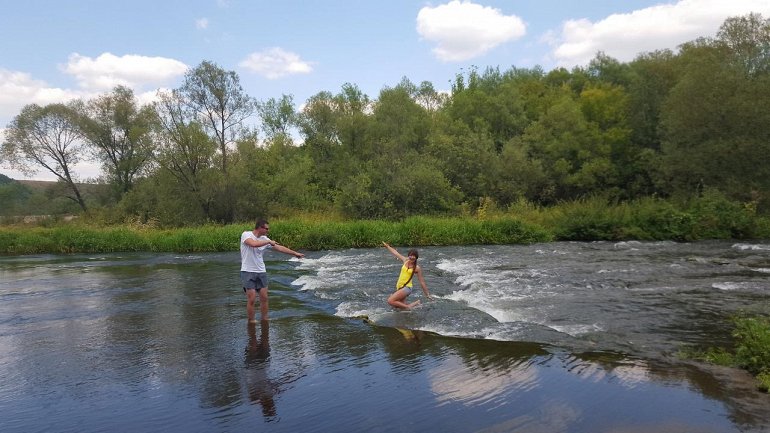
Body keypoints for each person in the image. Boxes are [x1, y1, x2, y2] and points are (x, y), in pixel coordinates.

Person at [241, 218, 304, 323]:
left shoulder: (265, 239)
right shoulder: (246, 235)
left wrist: (295, 253)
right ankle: (251, 321)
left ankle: (264, 319)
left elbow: (279, 248)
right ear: (260, 227)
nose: (267, 231)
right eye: (266, 228)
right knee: (251, 298)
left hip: (261, 271)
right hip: (247, 271)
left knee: (264, 298)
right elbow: (253, 244)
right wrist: (268, 241)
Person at [382, 242, 431, 309]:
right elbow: (396, 253)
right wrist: (387, 246)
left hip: (407, 288)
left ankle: (409, 306)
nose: (412, 257)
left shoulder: (417, 268)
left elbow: (422, 282)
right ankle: (416, 303)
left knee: (390, 301)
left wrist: (427, 294)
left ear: (416, 257)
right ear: (408, 255)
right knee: (400, 308)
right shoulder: (405, 260)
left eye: (414, 256)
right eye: (411, 255)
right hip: (399, 286)